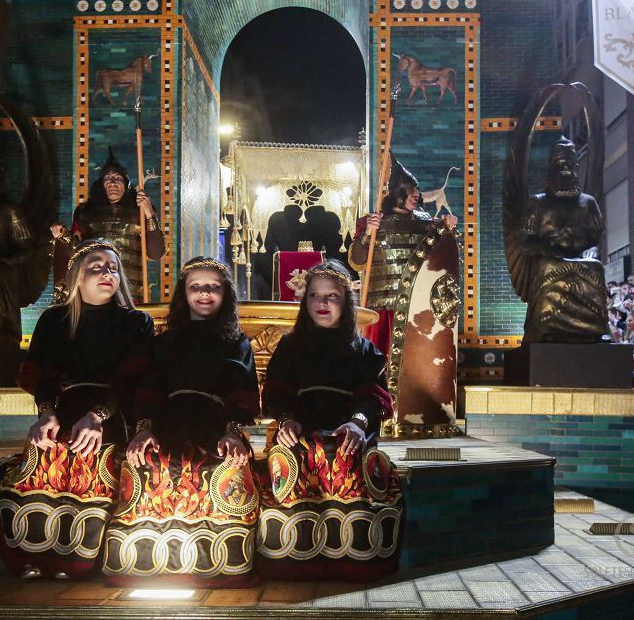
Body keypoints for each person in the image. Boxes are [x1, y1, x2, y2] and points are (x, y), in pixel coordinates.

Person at [0, 240, 155, 580]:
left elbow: (132, 379)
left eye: (112, 268)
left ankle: (75, 561)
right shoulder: (54, 320)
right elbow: (43, 374)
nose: (106, 273)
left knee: (88, 459)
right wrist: (46, 413)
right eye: (95, 267)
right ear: (77, 278)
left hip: (113, 412)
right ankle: (35, 556)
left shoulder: (136, 322)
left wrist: (98, 416)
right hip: (65, 409)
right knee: (41, 460)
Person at [103, 257, 259, 585]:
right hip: (169, 423)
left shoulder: (237, 342)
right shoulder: (164, 342)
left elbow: (243, 393)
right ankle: (146, 559)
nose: (205, 293)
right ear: (183, 294)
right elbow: (148, 390)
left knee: (217, 465)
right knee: (147, 461)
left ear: (226, 294)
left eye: (213, 287)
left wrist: (232, 433)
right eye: (196, 287)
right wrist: (143, 430)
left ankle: (217, 560)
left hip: (216, 425)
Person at [256, 261, 402, 581]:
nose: (322, 304)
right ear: (305, 300)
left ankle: (352, 558)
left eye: (332, 296)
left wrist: (358, 423)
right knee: (298, 455)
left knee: (342, 456)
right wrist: (286, 420)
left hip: (346, 428)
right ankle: (294, 559)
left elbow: (374, 398)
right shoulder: (290, 346)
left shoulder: (365, 351)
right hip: (302, 427)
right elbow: (277, 392)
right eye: (314, 296)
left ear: (345, 302)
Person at [348, 157, 460, 435]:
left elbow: (440, 257)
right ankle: (375, 416)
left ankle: (412, 418)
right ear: (396, 191)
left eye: (417, 190)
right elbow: (357, 261)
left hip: (417, 309)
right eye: (411, 190)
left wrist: (447, 228)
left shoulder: (427, 222)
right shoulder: (372, 221)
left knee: (415, 367)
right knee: (378, 364)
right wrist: (367, 236)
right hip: (380, 305)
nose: (416, 195)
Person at [53, 148, 165, 302]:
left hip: (131, 293)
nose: (113, 182)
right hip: (94, 289)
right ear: (101, 184)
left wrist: (150, 215)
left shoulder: (140, 212)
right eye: (108, 178)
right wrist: (62, 234)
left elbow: (156, 253)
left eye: (118, 178)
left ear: (126, 185)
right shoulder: (86, 212)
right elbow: (76, 250)